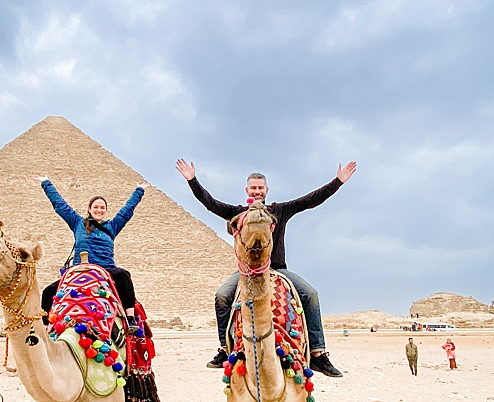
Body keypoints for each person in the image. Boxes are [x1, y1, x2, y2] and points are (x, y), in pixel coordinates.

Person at [175, 158, 357, 378]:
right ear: (247, 190)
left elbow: (311, 200)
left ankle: (318, 353)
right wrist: (192, 180)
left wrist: (338, 181)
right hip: (248, 272)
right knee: (222, 295)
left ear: (267, 190)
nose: (257, 191)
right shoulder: (237, 213)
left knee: (311, 294)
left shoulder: (280, 210)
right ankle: (224, 348)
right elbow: (210, 203)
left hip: (277, 269)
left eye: (261, 188)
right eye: (254, 188)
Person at [34, 176, 146, 324]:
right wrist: (46, 183)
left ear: (106, 210)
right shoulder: (77, 223)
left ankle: (130, 319)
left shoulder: (112, 227)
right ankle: (45, 328)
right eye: (96, 207)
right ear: (89, 209)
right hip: (80, 270)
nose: (99, 210)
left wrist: (139, 191)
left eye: (102, 208)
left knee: (123, 276)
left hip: (105, 269)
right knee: (48, 292)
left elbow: (127, 211)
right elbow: (60, 205)